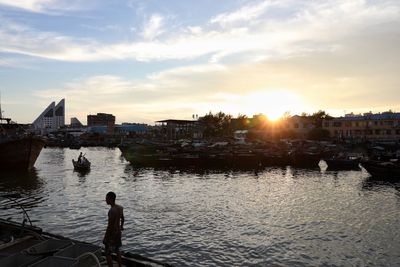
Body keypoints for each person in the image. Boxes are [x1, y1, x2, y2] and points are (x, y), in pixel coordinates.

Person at [103, 191, 124, 267]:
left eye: (106, 198)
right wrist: (121, 226)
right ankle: (120, 266)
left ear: (110, 199)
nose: (105, 200)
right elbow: (122, 218)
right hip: (118, 232)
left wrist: (106, 237)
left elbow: (110, 226)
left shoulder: (111, 211)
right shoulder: (120, 208)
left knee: (107, 252)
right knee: (117, 250)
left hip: (112, 234)